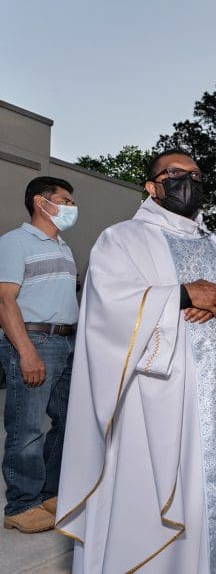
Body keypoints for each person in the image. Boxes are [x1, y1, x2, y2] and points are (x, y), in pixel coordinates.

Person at [55, 150, 216, 573]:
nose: (187, 180)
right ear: (152, 186)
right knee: (150, 499)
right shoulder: (122, 239)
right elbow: (107, 304)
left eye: (195, 174)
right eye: (175, 174)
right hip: (153, 399)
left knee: (213, 491)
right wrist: (184, 294)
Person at [0, 177, 79, 534]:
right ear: (41, 202)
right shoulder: (15, 243)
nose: (71, 207)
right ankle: (21, 505)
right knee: (27, 427)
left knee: (69, 420)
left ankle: (49, 494)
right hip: (33, 340)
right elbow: (5, 301)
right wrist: (26, 352)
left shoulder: (63, 247)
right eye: (64, 200)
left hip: (65, 342)